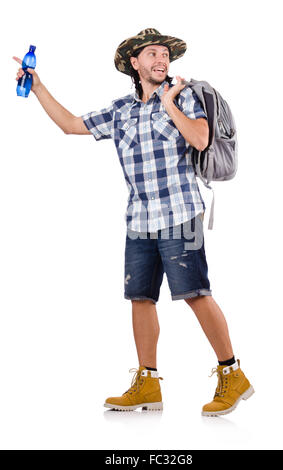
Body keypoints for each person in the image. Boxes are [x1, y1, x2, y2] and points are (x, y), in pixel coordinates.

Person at [13, 28, 254, 417]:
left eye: (166, 55)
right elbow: (72, 124)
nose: (162, 60)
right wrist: (39, 87)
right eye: (153, 54)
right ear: (134, 63)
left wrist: (171, 103)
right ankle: (147, 383)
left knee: (195, 292)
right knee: (140, 298)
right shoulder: (121, 110)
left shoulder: (185, 95)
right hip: (139, 218)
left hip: (181, 215)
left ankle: (233, 373)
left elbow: (200, 139)